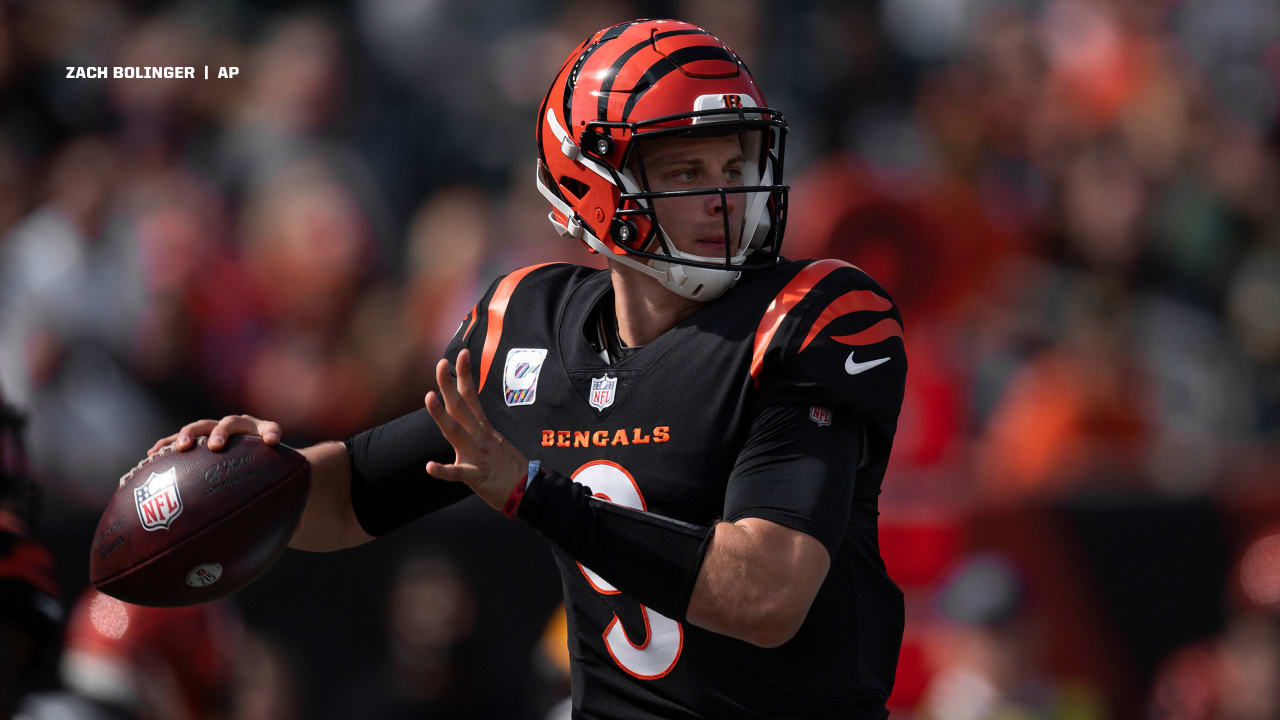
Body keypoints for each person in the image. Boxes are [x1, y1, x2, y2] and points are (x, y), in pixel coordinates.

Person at [149, 19, 908, 718]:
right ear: (590, 188)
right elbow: (352, 496)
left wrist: (537, 495)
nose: (724, 199)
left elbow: (768, 595)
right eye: (685, 173)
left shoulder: (806, 320)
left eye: (733, 163)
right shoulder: (533, 330)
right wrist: (235, 481)